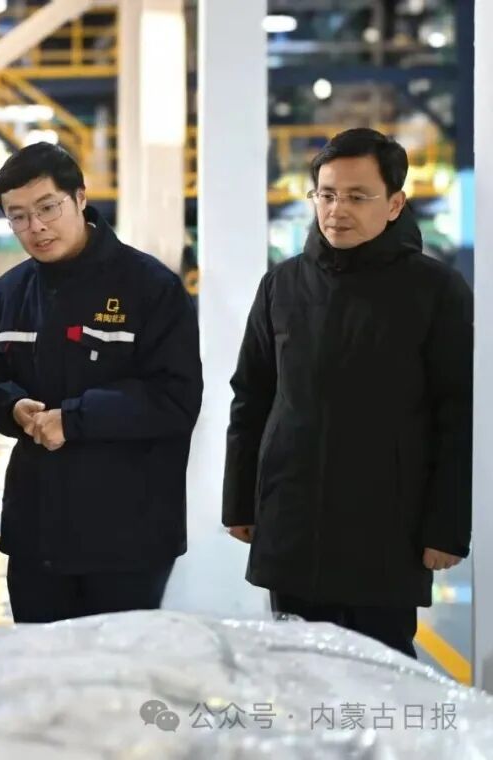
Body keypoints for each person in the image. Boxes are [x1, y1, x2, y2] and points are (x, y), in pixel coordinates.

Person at [222, 128, 473, 658]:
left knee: (379, 674)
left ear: (395, 204)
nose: (337, 210)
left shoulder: (436, 291)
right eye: (327, 194)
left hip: (386, 524)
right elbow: (251, 397)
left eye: (358, 197)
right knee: (295, 669)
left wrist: (447, 529)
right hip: (292, 515)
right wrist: (240, 501)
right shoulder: (281, 285)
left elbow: (456, 414)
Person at [0, 142, 203, 623]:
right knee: (41, 664)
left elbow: (175, 397)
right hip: (37, 534)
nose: (36, 227)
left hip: (127, 537)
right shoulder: (9, 293)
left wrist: (73, 420)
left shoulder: (149, 287)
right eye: (18, 217)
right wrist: (12, 408)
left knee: (119, 666)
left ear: (79, 197)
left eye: (47, 208)